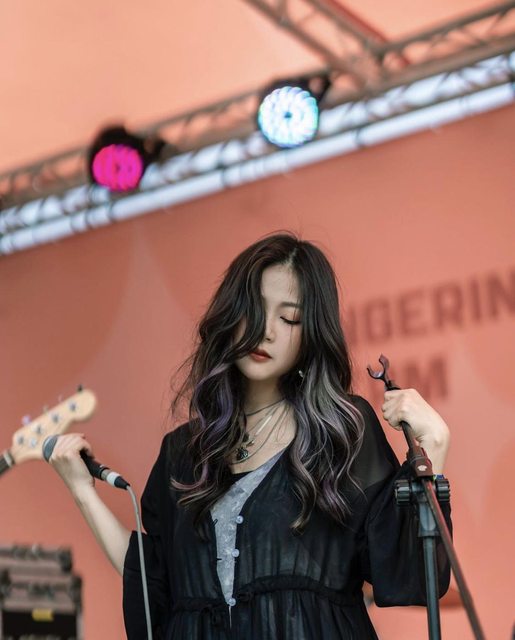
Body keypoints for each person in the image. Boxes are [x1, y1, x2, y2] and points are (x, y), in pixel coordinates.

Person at [49, 232, 452, 639]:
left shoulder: (340, 429)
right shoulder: (184, 451)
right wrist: (83, 492)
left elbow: (408, 572)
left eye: (289, 319)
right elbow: (155, 582)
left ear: (311, 334)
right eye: (255, 311)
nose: (266, 332)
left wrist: (433, 446)